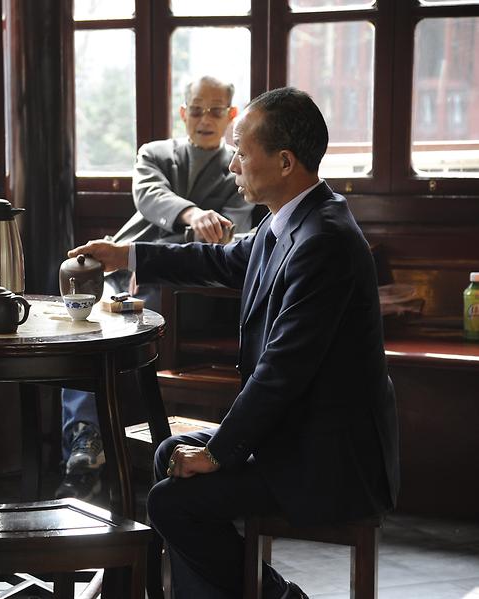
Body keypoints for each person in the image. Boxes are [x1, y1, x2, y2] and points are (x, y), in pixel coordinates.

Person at [68, 87, 399, 599]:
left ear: (284, 161)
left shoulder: (324, 241)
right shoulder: (292, 217)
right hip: (297, 439)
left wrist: (221, 453)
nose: (233, 167)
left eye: (242, 153)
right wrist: (126, 256)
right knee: (170, 457)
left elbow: (282, 372)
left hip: (330, 460)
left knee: (172, 503)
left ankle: (278, 597)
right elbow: (221, 260)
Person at [56, 75, 255, 501]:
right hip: (120, 276)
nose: (205, 119)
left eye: (216, 111)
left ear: (231, 116)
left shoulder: (241, 166)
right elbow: (150, 196)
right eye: (197, 110)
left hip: (192, 292)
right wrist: (191, 216)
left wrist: (175, 251)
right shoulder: (156, 154)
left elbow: (232, 233)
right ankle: (85, 439)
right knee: (79, 320)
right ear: (183, 113)